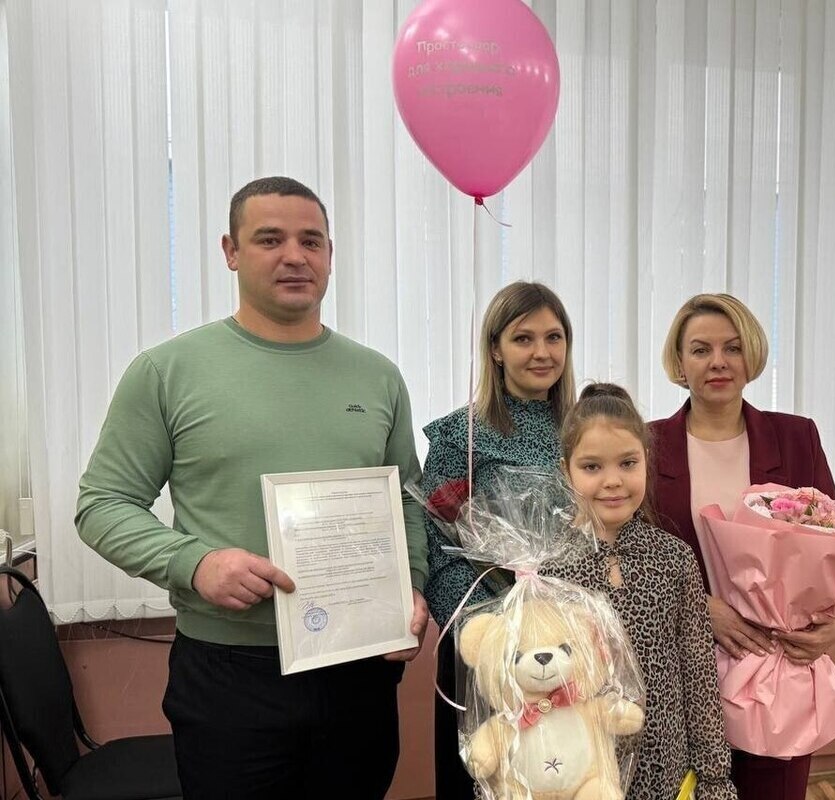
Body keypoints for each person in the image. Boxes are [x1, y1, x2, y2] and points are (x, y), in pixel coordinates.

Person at [76, 176, 429, 800]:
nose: (295, 256)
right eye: (270, 239)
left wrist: (412, 586)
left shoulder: (378, 377)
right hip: (231, 672)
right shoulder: (167, 372)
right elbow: (102, 505)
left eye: (311, 241)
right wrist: (196, 563)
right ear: (231, 251)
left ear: (330, 254)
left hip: (359, 665)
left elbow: (405, 496)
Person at [649, 293, 835, 798]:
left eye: (733, 347)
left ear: (752, 356)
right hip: (680, 674)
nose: (718, 361)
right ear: (679, 362)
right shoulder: (647, 447)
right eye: (701, 349)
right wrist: (698, 608)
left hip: (778, 668)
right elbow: (629, 556)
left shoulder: (797, 437)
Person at [543, 383, 738, 800]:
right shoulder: (548, 569)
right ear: (566, 471)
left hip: (667, 770)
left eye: (628, 463)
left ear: (647, 461)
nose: (613, 481)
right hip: (583, 772)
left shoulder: (674, 559)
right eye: (592, 467)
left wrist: (714, 778)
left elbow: (699, 678)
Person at [420, 281, 575, 798]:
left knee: (570, 773)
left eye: (554, 337)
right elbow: (438, 546)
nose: (541, 352)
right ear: (495, 349)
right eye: (523, 338)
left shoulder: (585, 429)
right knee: (486, 778)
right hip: (487, 646)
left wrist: (581, 623)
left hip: (571, 642)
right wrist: (489, 635)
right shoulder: (460, 436)